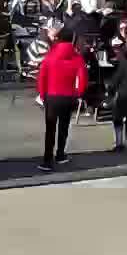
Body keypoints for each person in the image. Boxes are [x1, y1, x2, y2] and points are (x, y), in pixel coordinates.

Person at [36, 27, 88, 171]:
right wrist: (78, 93)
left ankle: (47, 160)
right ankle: (60, 154)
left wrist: (43, 95)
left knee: (50, 128)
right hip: (68, 96)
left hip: (51, 97)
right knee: (64, 126)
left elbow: (42, 78)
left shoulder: (50, 56)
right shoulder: (77, 57)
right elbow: (82, 79)